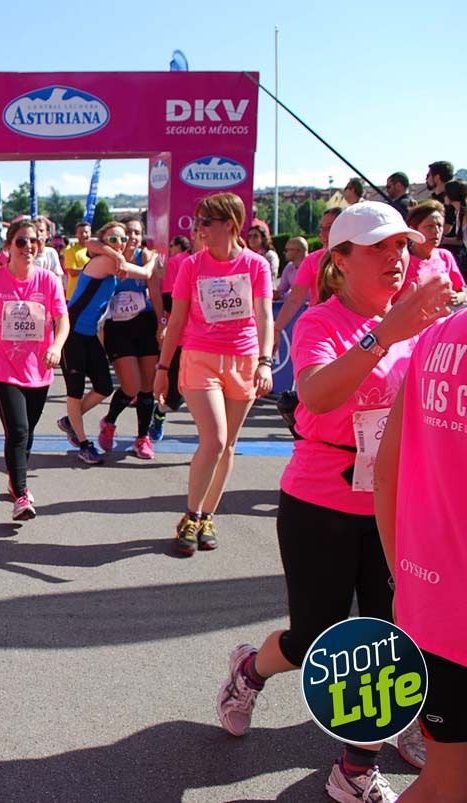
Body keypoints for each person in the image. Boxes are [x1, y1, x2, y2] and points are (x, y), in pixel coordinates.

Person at [215, 201, 453, 802]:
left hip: (399, 505)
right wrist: (385, 334)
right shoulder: (324, 321)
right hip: (321, 502)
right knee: (315, 638)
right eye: (379, 247)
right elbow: (316, 396)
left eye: (403, 246)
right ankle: (250, 670)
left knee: (388, 639)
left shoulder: (429, 321)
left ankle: (355, 765)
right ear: (340, 261)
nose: (397, 258)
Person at [376, 301, 467, 803]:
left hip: (429, 608)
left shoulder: (438, 337)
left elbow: (386, 472)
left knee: (443, 786)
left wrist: (404, 584)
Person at [154, 192, 274, 555]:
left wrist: (265, 360)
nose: (199, 228)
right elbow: (176, 321)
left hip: (244, 360)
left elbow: (265, 316)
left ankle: (207, 515)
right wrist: (162, 368)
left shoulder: (256, 266)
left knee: (229, 446)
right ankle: (190, 515)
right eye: (198, 221)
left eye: (207, 221)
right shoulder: (192, 265)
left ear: (230, 225)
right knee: (216, 439)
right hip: (200, 358)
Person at [0, 218, 69, 519]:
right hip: (2, 368)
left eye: (34, 242)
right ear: (7, 247)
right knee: (17, 430)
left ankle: (14, 478)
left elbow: (62, 319)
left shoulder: (48, 281)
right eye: (21, 241)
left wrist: (56, 346)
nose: (28, 247)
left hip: (38, 368)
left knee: (26, 433)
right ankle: (21, 493)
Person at [57, 221, 153, 464]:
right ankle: (84, 444)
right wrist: (154, 260)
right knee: (75, 393)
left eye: (122, 239)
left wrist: (115, 253)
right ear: (104, 243)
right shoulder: (106, 262)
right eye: (112, 239)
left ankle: (70, 421)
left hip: (89, 333)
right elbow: (146, 273)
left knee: (104, 387)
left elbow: (94, 243)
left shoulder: (114, 260)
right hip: (71, 331)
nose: (119, 243)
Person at [97, 218, 163, 460]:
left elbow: (154, 291)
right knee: (131, 385)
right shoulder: (111, 255)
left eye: (137, 232)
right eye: (128, 233)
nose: (133, 237)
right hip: (117, 327)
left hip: (144, 323)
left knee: (148, 387)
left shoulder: (144, 256)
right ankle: (109, 421)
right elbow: (93, 242)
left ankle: (142, 438)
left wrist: (161, 324)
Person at [149, 232, 197, 441]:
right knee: (172, 398)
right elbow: (168, 300)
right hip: (182, 336)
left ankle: (212, 447)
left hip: (212, 344)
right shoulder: (179, 262)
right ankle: (160, 412)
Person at [275, 207, 343, 337]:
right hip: (321, 328)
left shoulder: (359, 259)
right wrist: (277, 330)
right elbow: (294, 299)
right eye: (322, 229)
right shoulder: (311, 260)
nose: (323, 234)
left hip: (350, 327)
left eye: (329, 228)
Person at [404, 201, 465, 300]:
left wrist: (456, 298)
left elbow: (461, 292)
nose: (436, 231)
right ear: (414, 230)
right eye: (429, 226)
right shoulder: (401, 261)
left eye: (439, 226)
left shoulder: (445, 256)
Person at [62, 221, 91, 299]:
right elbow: (72, 272)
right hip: (75, 296)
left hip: (92, 294)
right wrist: (92, 268)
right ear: (76, 234)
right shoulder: (70, 250)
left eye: (86, 232)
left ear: (90, 233)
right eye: (81, 232)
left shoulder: (96, 250)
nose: (84, 235)